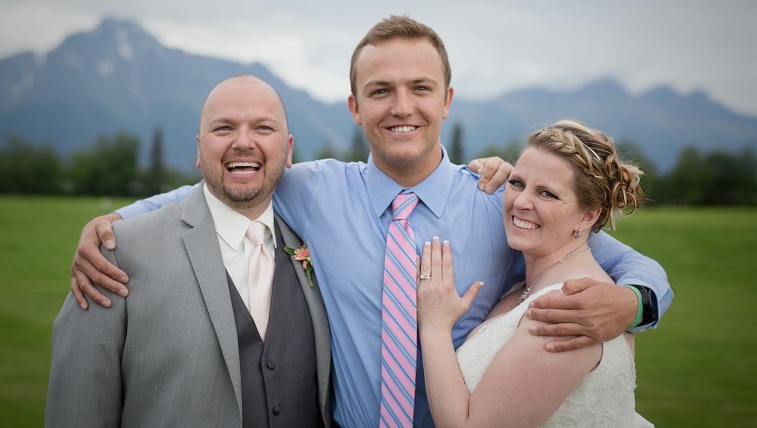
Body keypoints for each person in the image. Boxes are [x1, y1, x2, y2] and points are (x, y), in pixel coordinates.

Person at [67, 16, 673, 427]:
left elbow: (600, 255)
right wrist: (115, 220)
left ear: (447, 101)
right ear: (356, 107)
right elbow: (224, 186)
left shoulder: (503, 202)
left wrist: (637, 302)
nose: (401, 106)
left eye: (420, 88)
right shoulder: (313, 191)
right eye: (381, 91)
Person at [46, 76, 332, 427]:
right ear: (199, 149)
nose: (243, 142)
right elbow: (78, 412)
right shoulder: (114, 254)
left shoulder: (318, 246)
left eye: (263, 127)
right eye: (223, 128)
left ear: (288, 149)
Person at [418, 120, 653, 427]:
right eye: (517, 183)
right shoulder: (524, 289)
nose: (521, 202)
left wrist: (434, 326)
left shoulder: (570, 309)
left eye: (546, 193)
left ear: (587, 216)